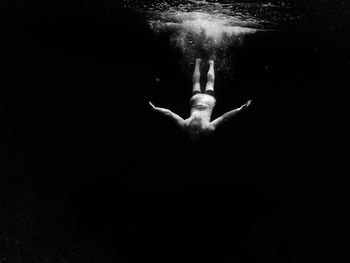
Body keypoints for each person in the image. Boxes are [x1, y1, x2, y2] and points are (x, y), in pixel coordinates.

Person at [149, 59, 252, 140]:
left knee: (196, 83)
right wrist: (239, 109)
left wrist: (155, 108)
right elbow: (224, 118)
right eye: (195, 134)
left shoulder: (184, 125)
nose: (194, 132)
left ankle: (198, 62)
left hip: (196, 101)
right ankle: (211, 63)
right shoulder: (207, 129)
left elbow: (169, 113)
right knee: (209, 83)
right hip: (208, 102)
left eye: (191, 133)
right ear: (200, 134)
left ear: (187, 132)